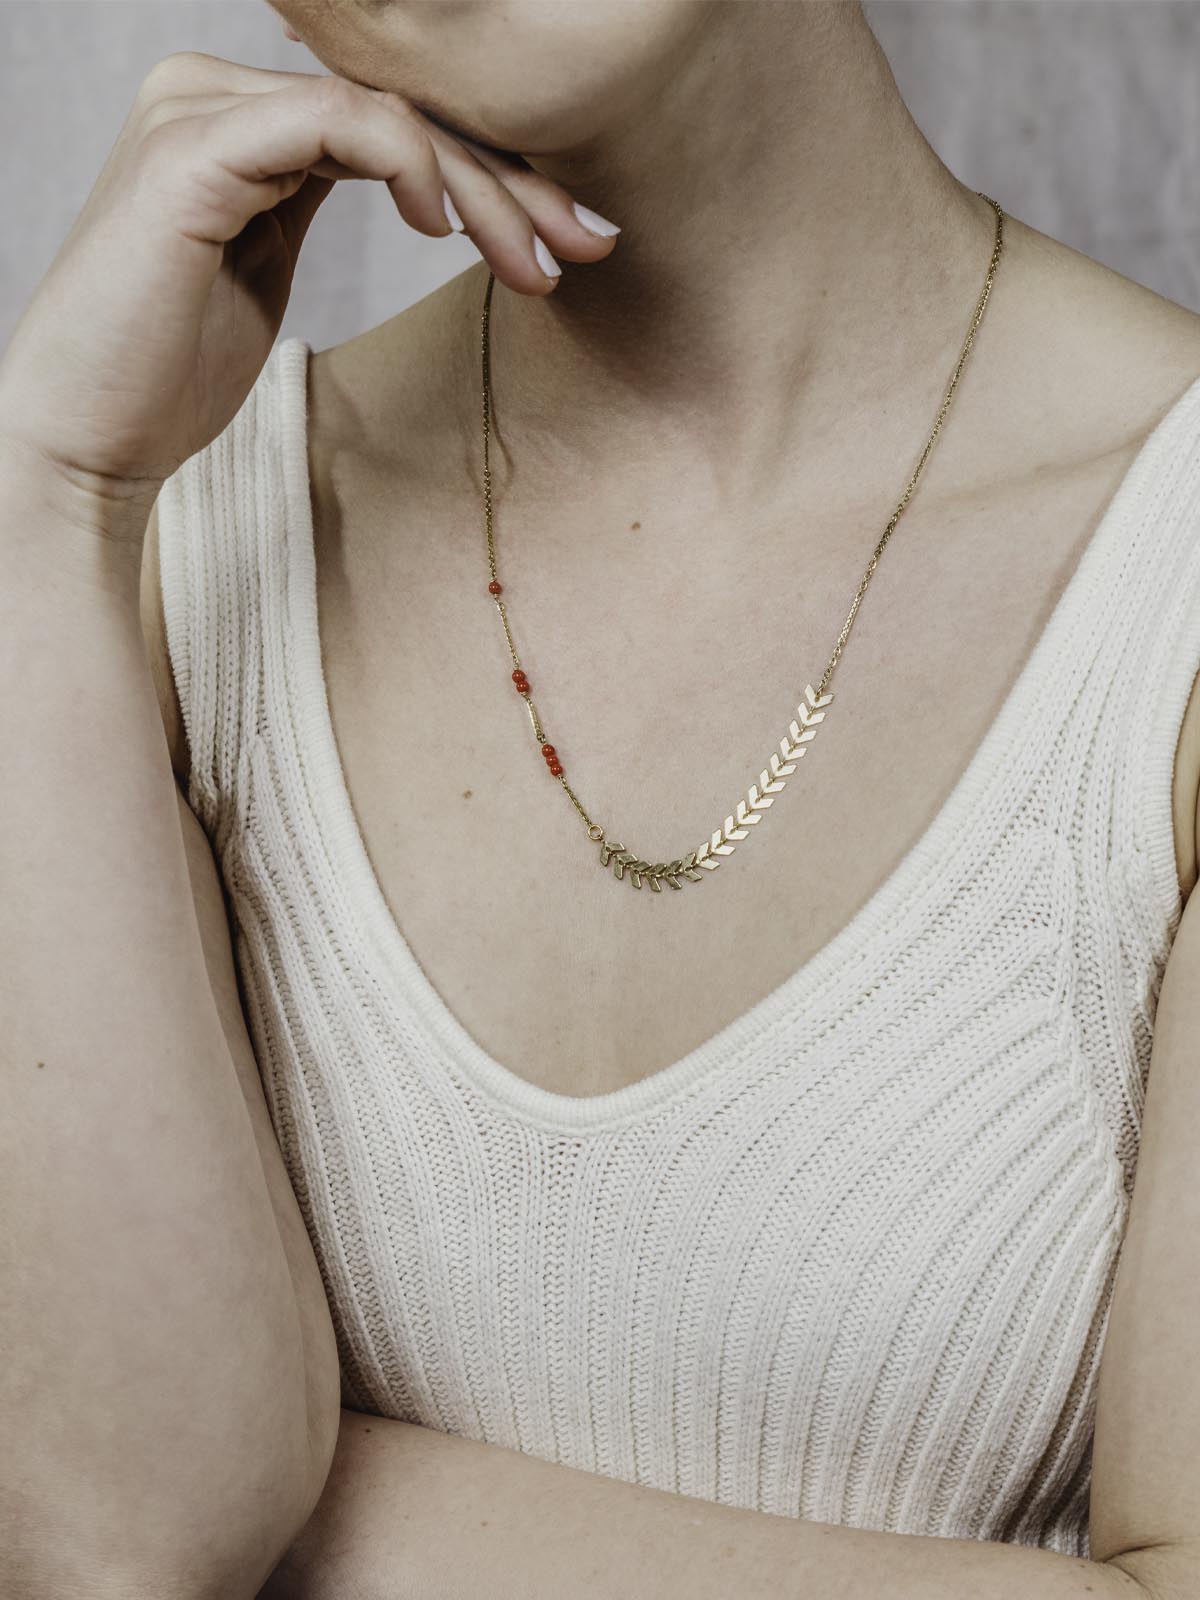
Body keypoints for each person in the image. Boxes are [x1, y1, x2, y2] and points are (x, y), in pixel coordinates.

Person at [4, 2, 1200, 1596]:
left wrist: (295, 1501)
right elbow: (120, 1540)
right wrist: (50, 501)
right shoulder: (158, 547)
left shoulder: (1161, 579)